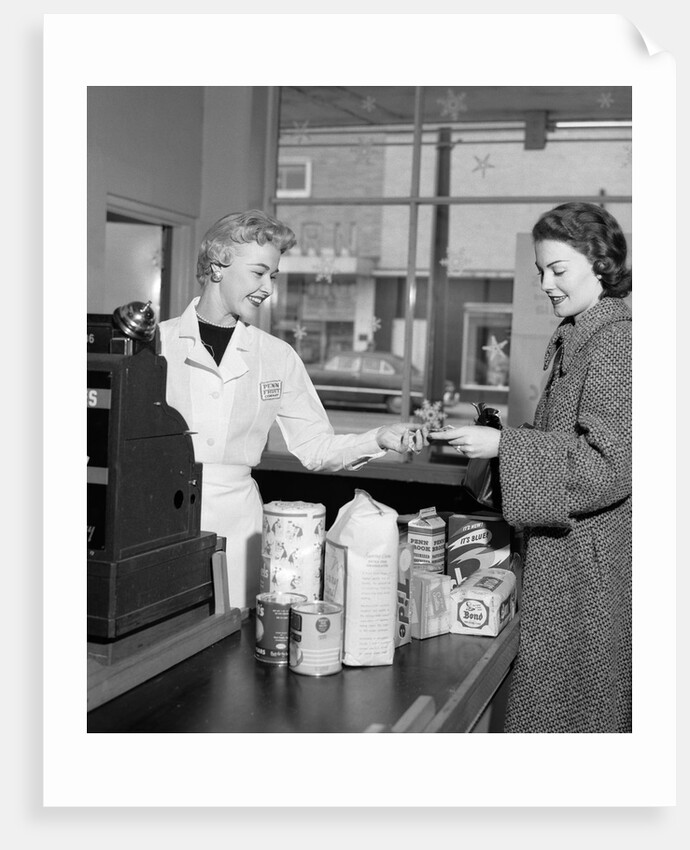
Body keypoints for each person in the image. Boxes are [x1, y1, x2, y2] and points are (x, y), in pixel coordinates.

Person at [159, 209, 425, 611]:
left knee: (235, 642)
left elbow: (315, 447)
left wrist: (379, 438)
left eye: (274, 276)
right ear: (217, 267)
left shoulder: (276, 356)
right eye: (258, 273)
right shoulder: (157, 344)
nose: (268, 287)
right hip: (163, 519)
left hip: (240, 527)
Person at [430, 202, 632, 733]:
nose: (545, 283)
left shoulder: (616, 339)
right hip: (570, 560)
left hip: (586, 572)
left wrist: (503, 446)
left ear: (600, 262)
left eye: (558, 269)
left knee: (569, 716)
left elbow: (608, 466)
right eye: (541, 270)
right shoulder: (585, 332)